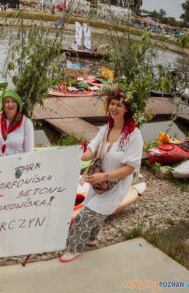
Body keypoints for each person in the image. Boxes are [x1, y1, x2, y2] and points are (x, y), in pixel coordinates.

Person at [60, 88, 143, 262]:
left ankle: (74, 249)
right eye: (111, 104)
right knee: (92, 207)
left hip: (116, 185)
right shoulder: (105, 129)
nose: (113, 108)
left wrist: (104, 177)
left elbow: (130, 168)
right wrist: (79, 155)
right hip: (99, 182)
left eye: (118, 105)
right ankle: (91, 239)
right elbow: (91, 150)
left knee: (85, 215)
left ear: (127, 109)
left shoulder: (134, 135)